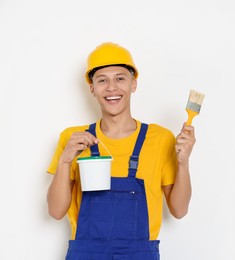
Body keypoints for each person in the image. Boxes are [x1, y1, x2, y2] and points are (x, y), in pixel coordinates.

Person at [46, 42, 195, 259]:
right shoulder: (73, 139)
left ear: (133, 84)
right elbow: (55, 212)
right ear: (92, 88)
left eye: (120, 78)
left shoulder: (160, 139)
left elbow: (179, 210)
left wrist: (183, 162)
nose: (112, 87)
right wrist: (64, 162)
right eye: (102, 80)